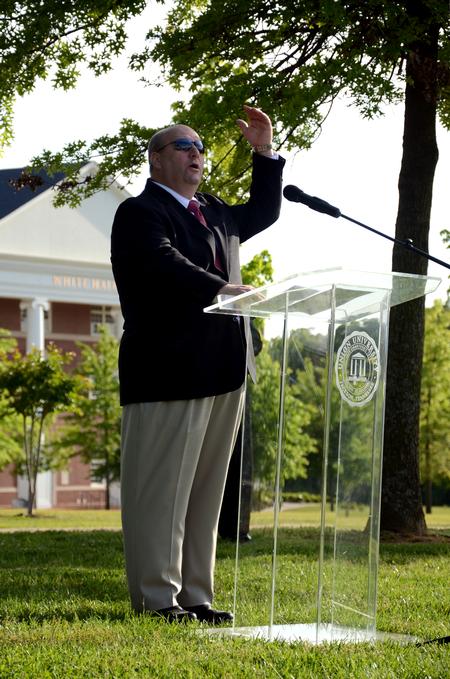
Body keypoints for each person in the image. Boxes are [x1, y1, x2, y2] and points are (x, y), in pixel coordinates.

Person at [111, 104, 285, 623]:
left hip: (224, 365)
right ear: (156, 160)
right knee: (160, 492)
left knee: (206, 493)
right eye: (184, 146)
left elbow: (263, 212)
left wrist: (264, 152)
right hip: (167, 368)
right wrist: (222, 287)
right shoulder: (140, 213)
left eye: (201, 148)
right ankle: (156, 598)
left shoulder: (212, 211)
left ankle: (196, 596)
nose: (197, 154)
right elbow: (162, 263)